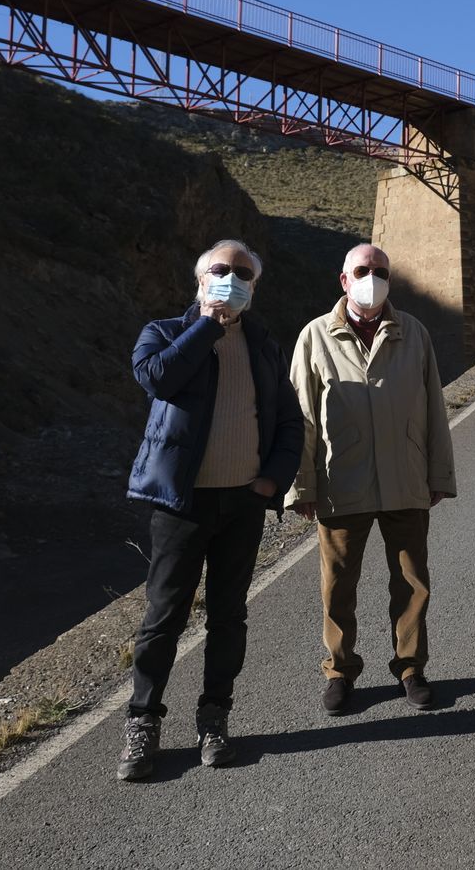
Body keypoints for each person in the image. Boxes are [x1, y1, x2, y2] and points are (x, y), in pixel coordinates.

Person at [120, 239, 304, 780]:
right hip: (182, 503)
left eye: (241, 273)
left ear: (255, 284)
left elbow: (289, 422)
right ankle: (142, 721)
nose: (230, 277)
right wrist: (209, 326)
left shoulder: (265, 346)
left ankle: (214, 718)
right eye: (219, 270)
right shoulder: (165, 332)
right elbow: (157, 379)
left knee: (229, 617)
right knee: (163, 617)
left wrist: (272, 480)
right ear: (200, 281)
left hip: (243, 502)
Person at [285, 244, 456, 716]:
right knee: (337, 584)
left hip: (406, 479)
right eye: (362, 270)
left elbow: (434, 410)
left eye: (380, 271)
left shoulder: (414, 333)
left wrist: (438, 473)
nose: (371, 278)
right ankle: (340, 672)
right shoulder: (315, 336)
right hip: (342, 482)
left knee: (412, 581)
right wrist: (302, 485)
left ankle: (411, 668)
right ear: (344, 280)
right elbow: (300, 417)